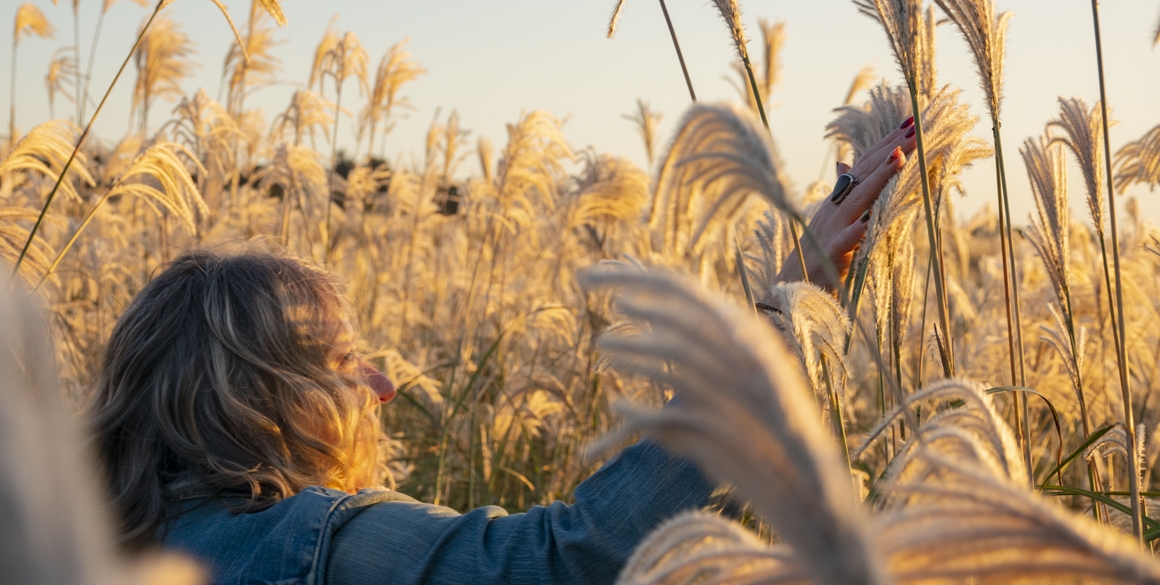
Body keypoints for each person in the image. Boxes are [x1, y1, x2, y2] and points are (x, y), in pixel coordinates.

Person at [89, 121, 914, 585]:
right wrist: (775, 324)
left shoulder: (97, 544)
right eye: (342, 364)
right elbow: (565, 562)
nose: (379, 385)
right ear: (254, 397)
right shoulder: (315, 546)